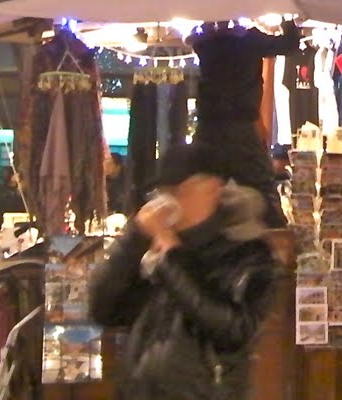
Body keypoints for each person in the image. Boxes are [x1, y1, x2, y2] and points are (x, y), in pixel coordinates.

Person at [88, 143, 280, 400]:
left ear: (213, 188)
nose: (169, 200)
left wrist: (171, 255)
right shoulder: (153, 245)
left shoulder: (247, 253)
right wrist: (134, 238)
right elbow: (103, 309)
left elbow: (233, 329)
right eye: (163, 192)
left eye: (179, 190)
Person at [187, 20, 301, 226]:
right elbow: (290, 45)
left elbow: (192, 39)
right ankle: (278, 238)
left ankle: (202, 237)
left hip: (208, 127)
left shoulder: (204, 43)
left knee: (203, 186)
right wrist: (287, 20)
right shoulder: (250, 40)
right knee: (262, 187)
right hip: (241, 128)